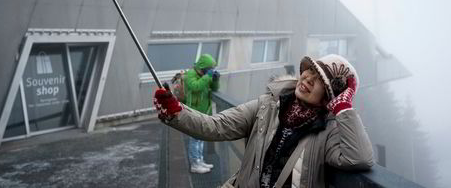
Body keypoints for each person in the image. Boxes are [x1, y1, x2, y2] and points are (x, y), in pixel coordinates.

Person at [153, 54, 373, 187]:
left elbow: (359, 158)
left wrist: (343, 108)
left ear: (328, 96)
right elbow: (216, 126)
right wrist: (176, 111)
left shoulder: (329, 131)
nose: (307, 79)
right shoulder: (266, 105)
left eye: (318, 81)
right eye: (309, 72)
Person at [181, 54, 220, 174]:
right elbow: (195, 87)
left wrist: (215, 80)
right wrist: (208, 77)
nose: (210, 71)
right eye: (209, 69)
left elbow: (215, 89)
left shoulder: (205, 75)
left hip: (204, 112)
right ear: (202, 67)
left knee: (200, 139)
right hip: (192, 112)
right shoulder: (190, 74)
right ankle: (194, 164)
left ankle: (200, 161)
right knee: (195, 139)